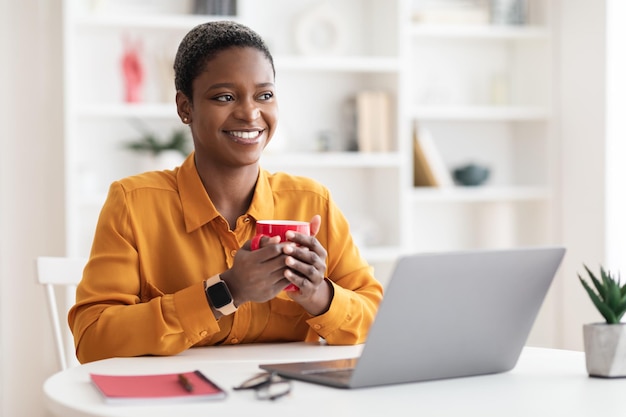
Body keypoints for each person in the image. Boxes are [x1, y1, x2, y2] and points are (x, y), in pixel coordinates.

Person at [68, 20, 383, 363]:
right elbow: (93, 338)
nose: (250, 113)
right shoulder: (133, 204)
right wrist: (226, 291)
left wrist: (318, 295)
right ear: (185, 108)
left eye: (264, 95)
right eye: (225, 97)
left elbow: (377, 320)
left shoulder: (310, 202)